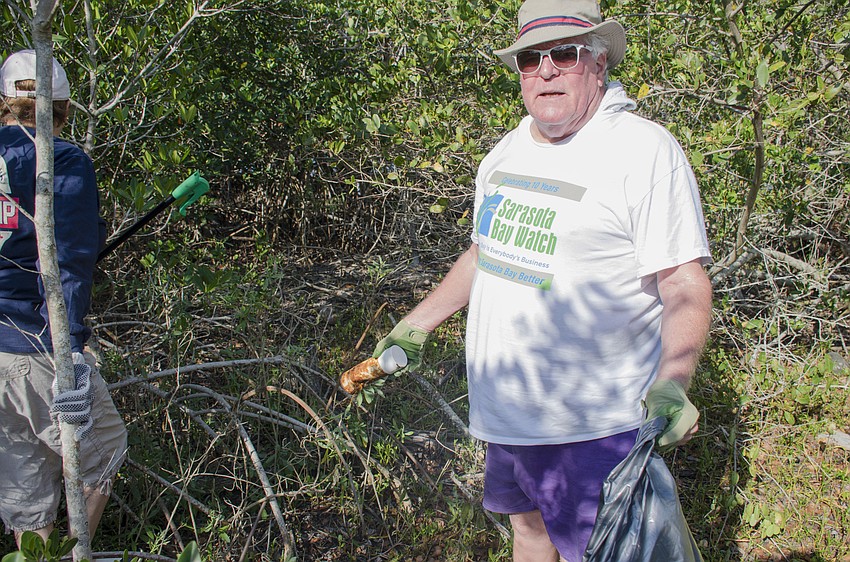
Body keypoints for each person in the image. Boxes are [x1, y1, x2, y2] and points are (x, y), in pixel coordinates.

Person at [369, 1, 713, 560]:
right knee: (527, 532)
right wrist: (414, 325)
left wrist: (674, 379)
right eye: (531, 58)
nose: (546, 69)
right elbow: (485, 255)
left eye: (564, 54)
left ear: (599, 64)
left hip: (596, 424)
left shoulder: (643, 151)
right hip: (508, 408)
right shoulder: (505, 153)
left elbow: (683, 283)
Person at [0, 49, 127, 546]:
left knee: (26, 482)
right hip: (34, 343)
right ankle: (74, 556)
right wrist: (70, 351)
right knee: (106, 450)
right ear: (63, 106)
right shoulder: (63, 159)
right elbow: (69, 265)